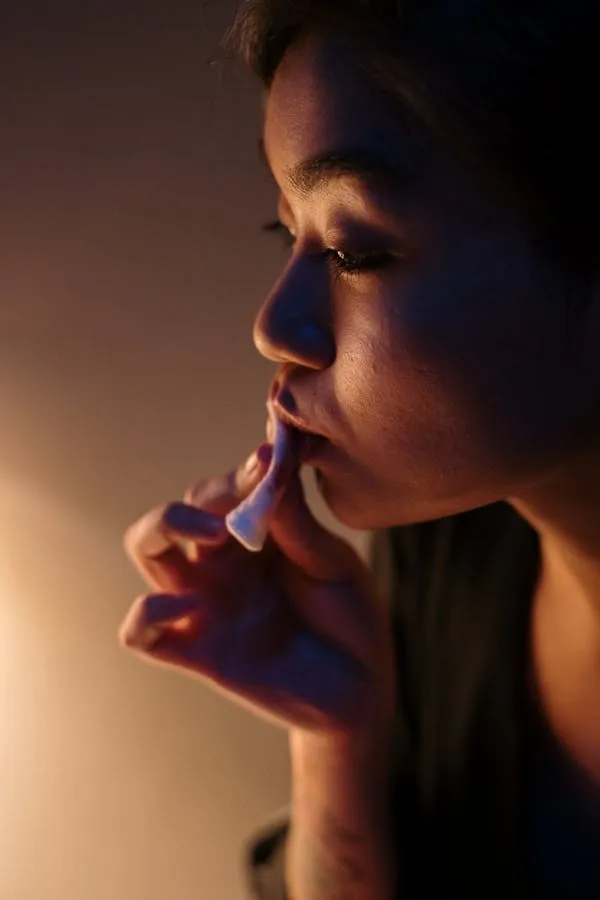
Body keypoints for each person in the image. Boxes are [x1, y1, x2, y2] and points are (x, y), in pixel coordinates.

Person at [119, 0, 600, 896]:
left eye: (351, 249)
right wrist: (337, 740)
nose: (273, 326)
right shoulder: (449, 552)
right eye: (285, 231)